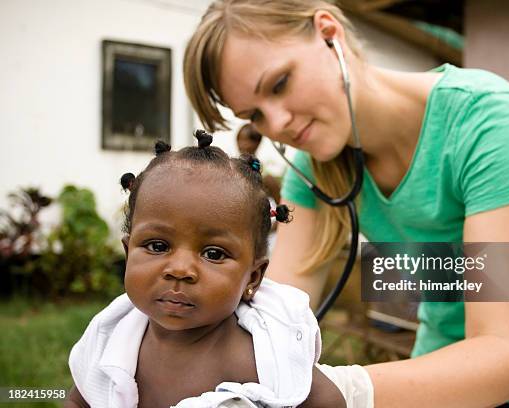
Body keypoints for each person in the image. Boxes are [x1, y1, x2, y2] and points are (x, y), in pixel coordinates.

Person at [182, 1, 509, 407]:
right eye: (254, 115)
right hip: (440, 375)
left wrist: (341, 391)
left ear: (328, 32)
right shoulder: (314, 165)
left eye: (280, 84)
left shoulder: (489, 123)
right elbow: (277, 314)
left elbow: (503, 354)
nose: (276, 123)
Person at [64, 132, 350, 408]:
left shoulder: (260, 357)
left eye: (213, 254)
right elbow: (81, 399)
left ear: (253, 277)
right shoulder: (112, 339)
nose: (179, 269)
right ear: (128, 253)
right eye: (157, 246)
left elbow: (329, 402)